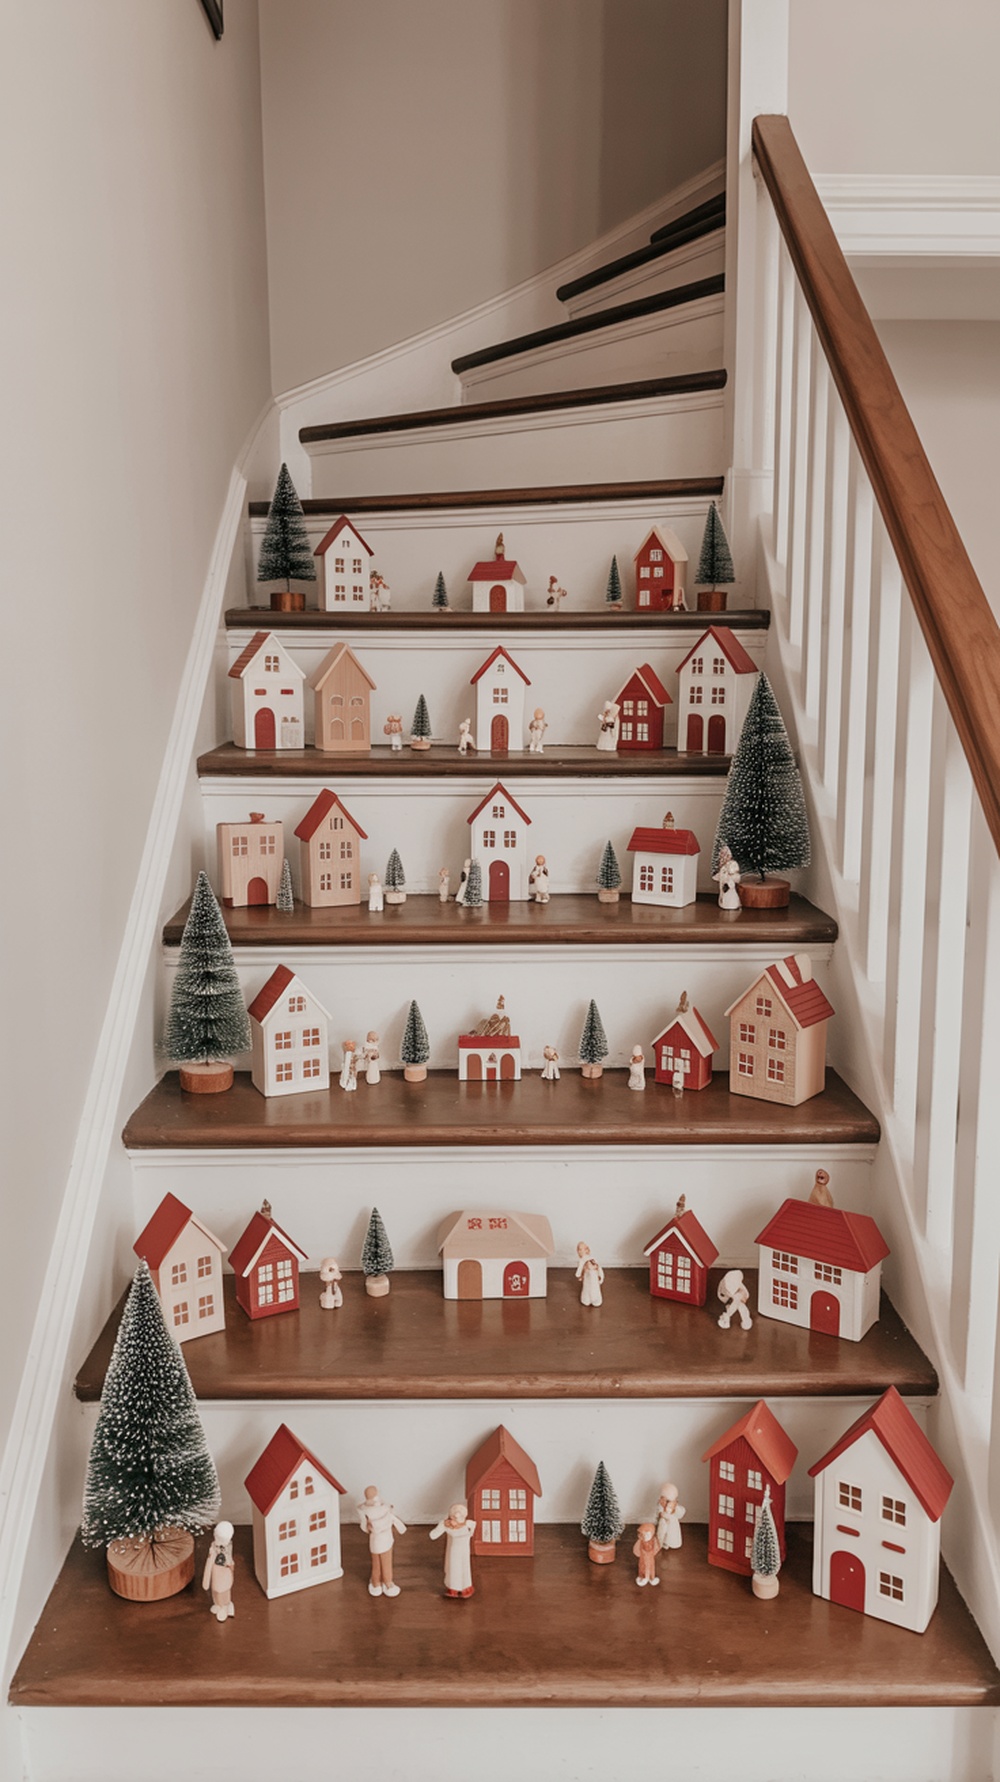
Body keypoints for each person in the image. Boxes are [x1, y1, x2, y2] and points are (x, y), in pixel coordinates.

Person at [358, 1485, 407, 1598]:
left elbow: (364, 1528)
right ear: (377, 1495)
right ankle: (388, 1583)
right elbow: (396, 1521)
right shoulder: (385, 1509)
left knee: (376, 1563)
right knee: (386, 1562)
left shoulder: (365, 1511)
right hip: (386, 1539)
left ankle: (376, 1583)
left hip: (375, 1540)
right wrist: (402, 1529)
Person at [429, 1502, 476, 1598]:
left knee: (462, 1568)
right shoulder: (448, 1525)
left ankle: (463, 1589)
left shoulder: (468, 1524)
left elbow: (472, 1528)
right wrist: (442, 1524)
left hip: (463, 1551)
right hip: (455, 1551)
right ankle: (455, 1589)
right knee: (455, 1567)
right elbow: (433, 1535)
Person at [202, 1521, 235, 1621]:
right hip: (216, 1571)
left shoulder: (228, 1546)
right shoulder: (213, 1548)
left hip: (225, 1571)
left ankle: (225, 1605)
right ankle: (218, 1604)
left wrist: (231, 1565)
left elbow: (229, 1558)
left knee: (224, 1589)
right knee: (215, 1589)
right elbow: (210, 1561)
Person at [655, 1483, 685, 1552]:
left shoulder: (675, 1507)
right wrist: (661, 1513)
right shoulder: (660, 1505)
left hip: (672, 1525)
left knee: (672, 1535)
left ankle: (672, 1543)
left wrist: (673, 1509)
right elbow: (658, 1512)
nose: (665, 1502)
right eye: (663, 1498)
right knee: (662, 1534)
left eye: (668, 1501)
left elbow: (681, 1513)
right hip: (663, 1524)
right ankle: (662, 1543)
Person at [576, 1241, 604, 1307]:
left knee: (591, 1287)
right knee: (590, 1287)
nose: (579, 1251)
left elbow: (598, 1268)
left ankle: (589, 1300)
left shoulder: (586, 1260)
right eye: (578, 1249)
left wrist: (578, 1275)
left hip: (592, 1277)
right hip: (589, 1277)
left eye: (580, 1249)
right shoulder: (587, 1259)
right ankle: (591, 1300)